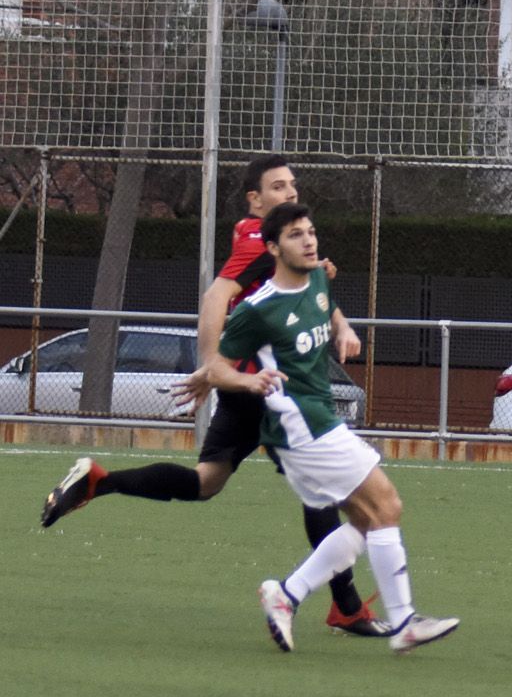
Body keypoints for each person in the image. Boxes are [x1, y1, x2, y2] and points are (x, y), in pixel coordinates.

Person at [38, 154, 388, 637]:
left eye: (293, 185)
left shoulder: (281, 239)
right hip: (267, 388)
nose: (290, 193)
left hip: (252, 385)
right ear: (255, 199)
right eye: (279, 187)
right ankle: (344, 607)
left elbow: (311, 293)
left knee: (206, 481)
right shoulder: (256, 238)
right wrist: (211, 365)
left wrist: (341, 323)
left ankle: (101, 481)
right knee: (327, 497)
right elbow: (215, 296)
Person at [208, 201, 458, 654]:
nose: (308, 240)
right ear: (272, 248)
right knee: (387, 505)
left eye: (310, 232)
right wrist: (248, 379)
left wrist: (343, 329)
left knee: (365, 520)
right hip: (300, 429)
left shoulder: (319, 279)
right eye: (295, 235)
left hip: (317, 423)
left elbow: (328, 306)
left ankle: (287, 595)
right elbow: (216, 367)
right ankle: (403, 623)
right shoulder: (258, 309)